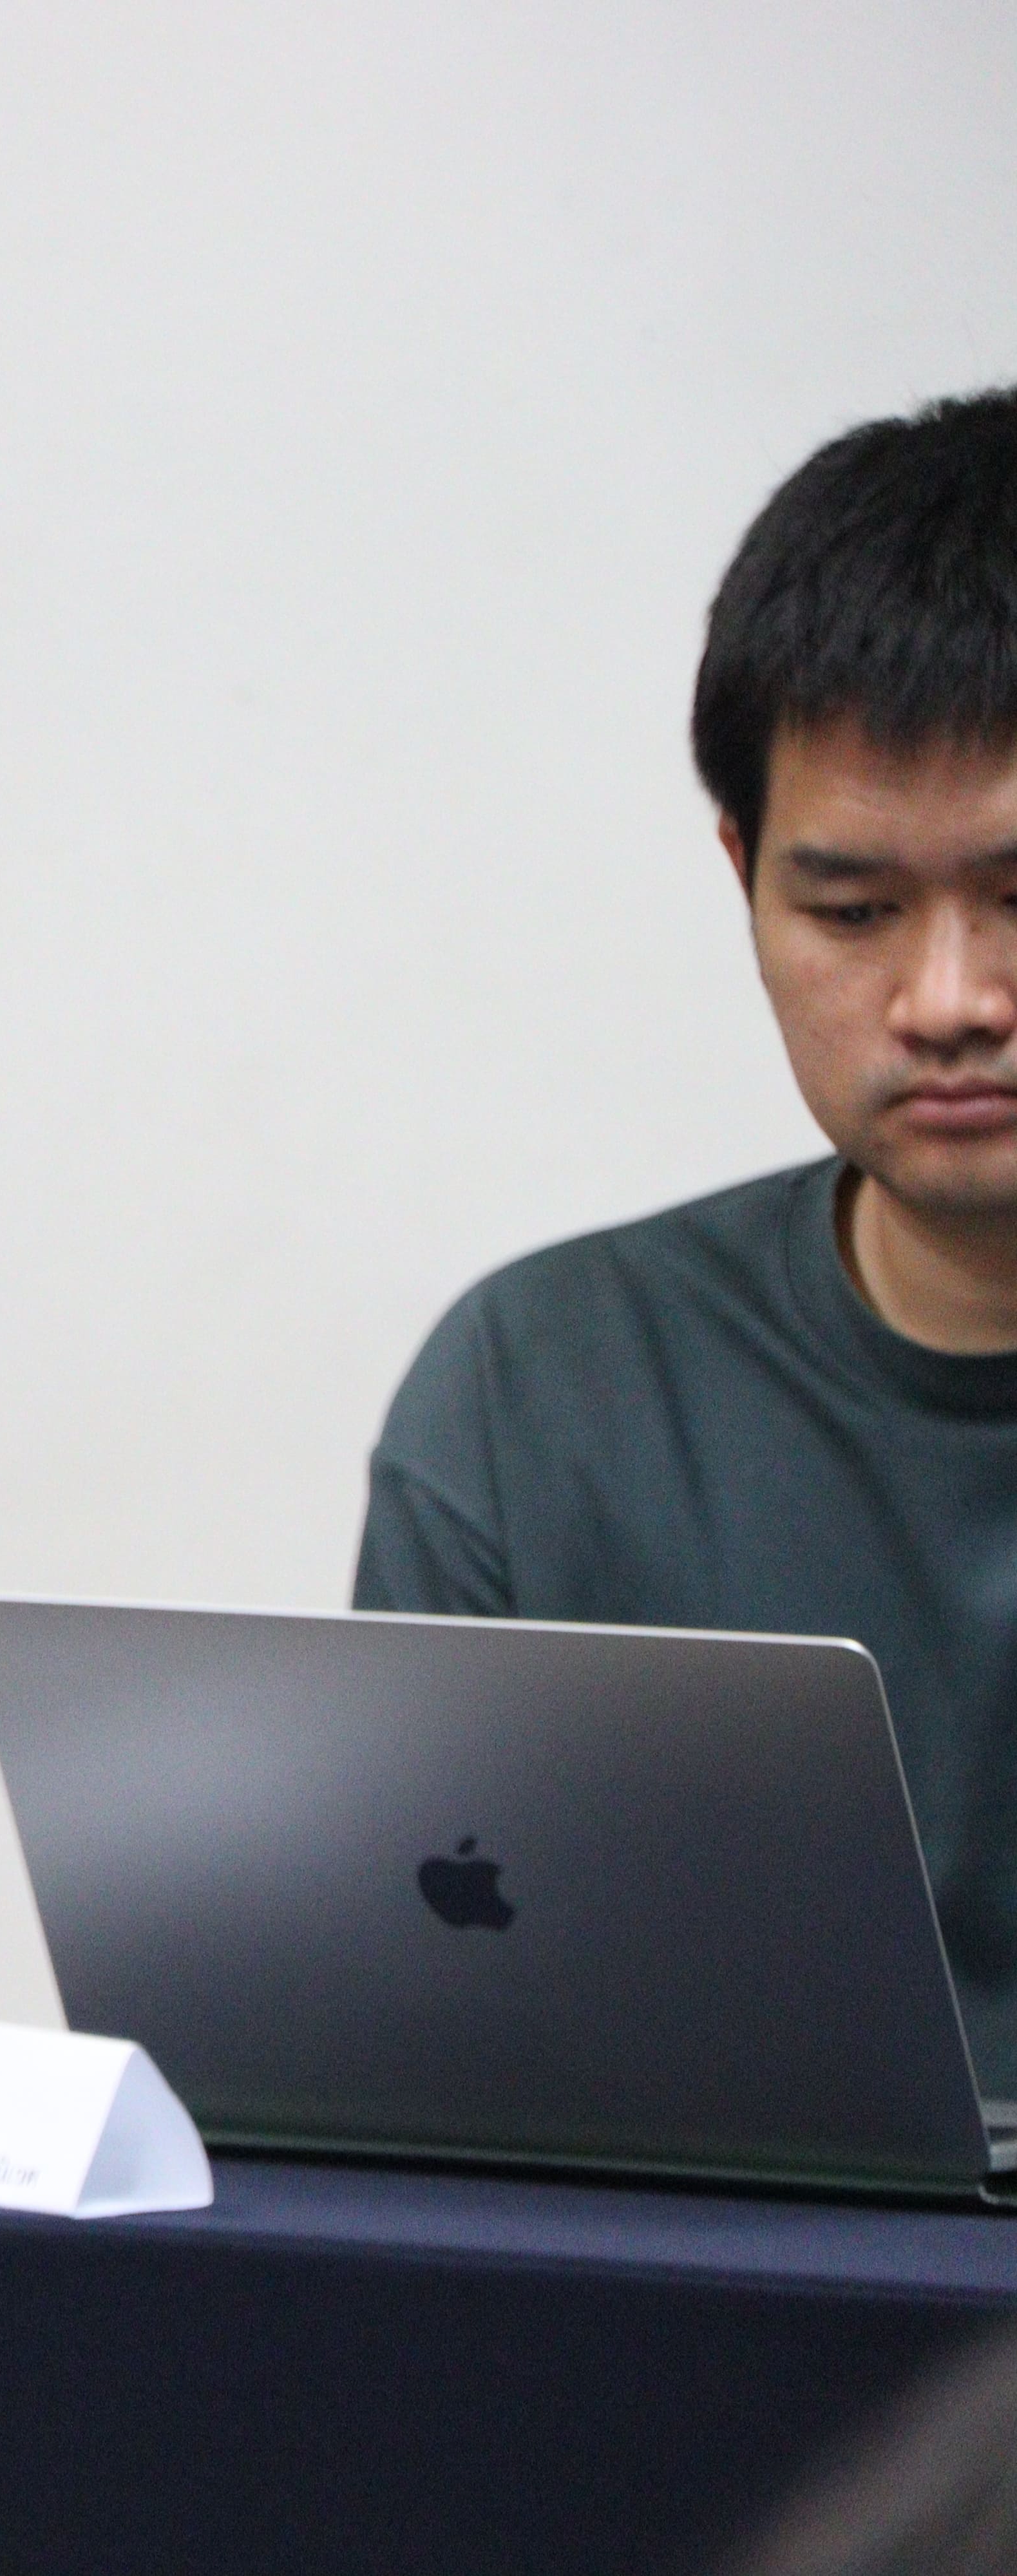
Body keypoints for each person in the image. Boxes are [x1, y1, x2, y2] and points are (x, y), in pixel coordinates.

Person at [356, 387, 1017, 2075]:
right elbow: (413, 2045)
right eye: (853, 911)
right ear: (744, 877)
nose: (948, 1000)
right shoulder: (547, 1390)